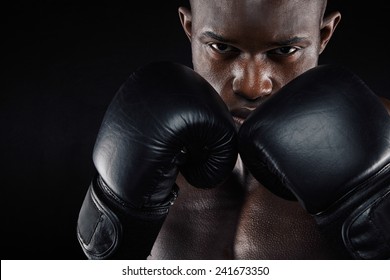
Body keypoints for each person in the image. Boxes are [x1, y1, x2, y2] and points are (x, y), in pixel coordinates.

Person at [77, 0, 390, 259]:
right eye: (222, 47)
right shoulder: (146, 132)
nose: (252, 87)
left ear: (323, 34)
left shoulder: (382, 137)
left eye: (284, 51)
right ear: (190, 27)